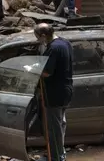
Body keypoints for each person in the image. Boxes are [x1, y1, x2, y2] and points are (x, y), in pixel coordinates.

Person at [34, 23, 73, 161]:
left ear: (44, 36)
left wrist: (32, 69)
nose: (38, 40)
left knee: (54, 128)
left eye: (38, 37)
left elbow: (46, 72)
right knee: (61, 124)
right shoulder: (65, 43)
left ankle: (56, 157)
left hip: (54, 94)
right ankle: (60, 154)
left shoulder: (54, 49)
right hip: (66, 91)